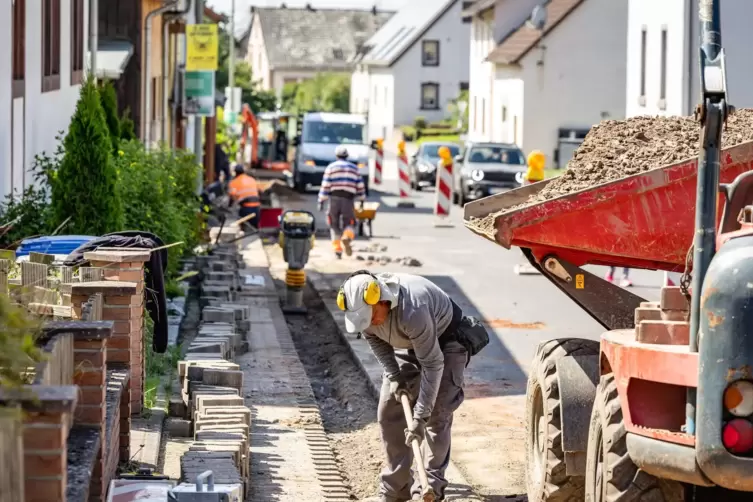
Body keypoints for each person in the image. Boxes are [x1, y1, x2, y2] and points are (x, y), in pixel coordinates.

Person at [338, 271, 489, 502]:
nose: (369, 324)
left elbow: (432, 364)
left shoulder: (412, 310)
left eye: (370, 317)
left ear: (381, 300)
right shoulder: (367, 315)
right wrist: (394, 375)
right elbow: (375, 340)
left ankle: (428, 490)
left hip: (446, 341)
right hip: (408, 343)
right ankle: (396, 488)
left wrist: (420, 417)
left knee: (437, 415)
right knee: (389, 410)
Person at [318, 145, 365, 259]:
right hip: (348, 199)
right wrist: (362, 200)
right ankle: (347, 236)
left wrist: (321, 200)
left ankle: (337, 250)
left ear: (336, 156)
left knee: (333, 224)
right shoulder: (354, 169)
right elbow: (360, 186)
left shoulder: (331, 167)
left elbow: (325, 186)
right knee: (350, 222)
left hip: (334, 198)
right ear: (347, 156)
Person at [227, 164, 261, 231]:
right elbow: (259, 191)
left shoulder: (234, 182)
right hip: (256, 208)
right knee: (255, 229)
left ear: (235, 173)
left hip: (246, 209)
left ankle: (243, 231)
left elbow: (232, 196)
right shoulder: (252, 179)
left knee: (243, 228)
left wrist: (229, 206)